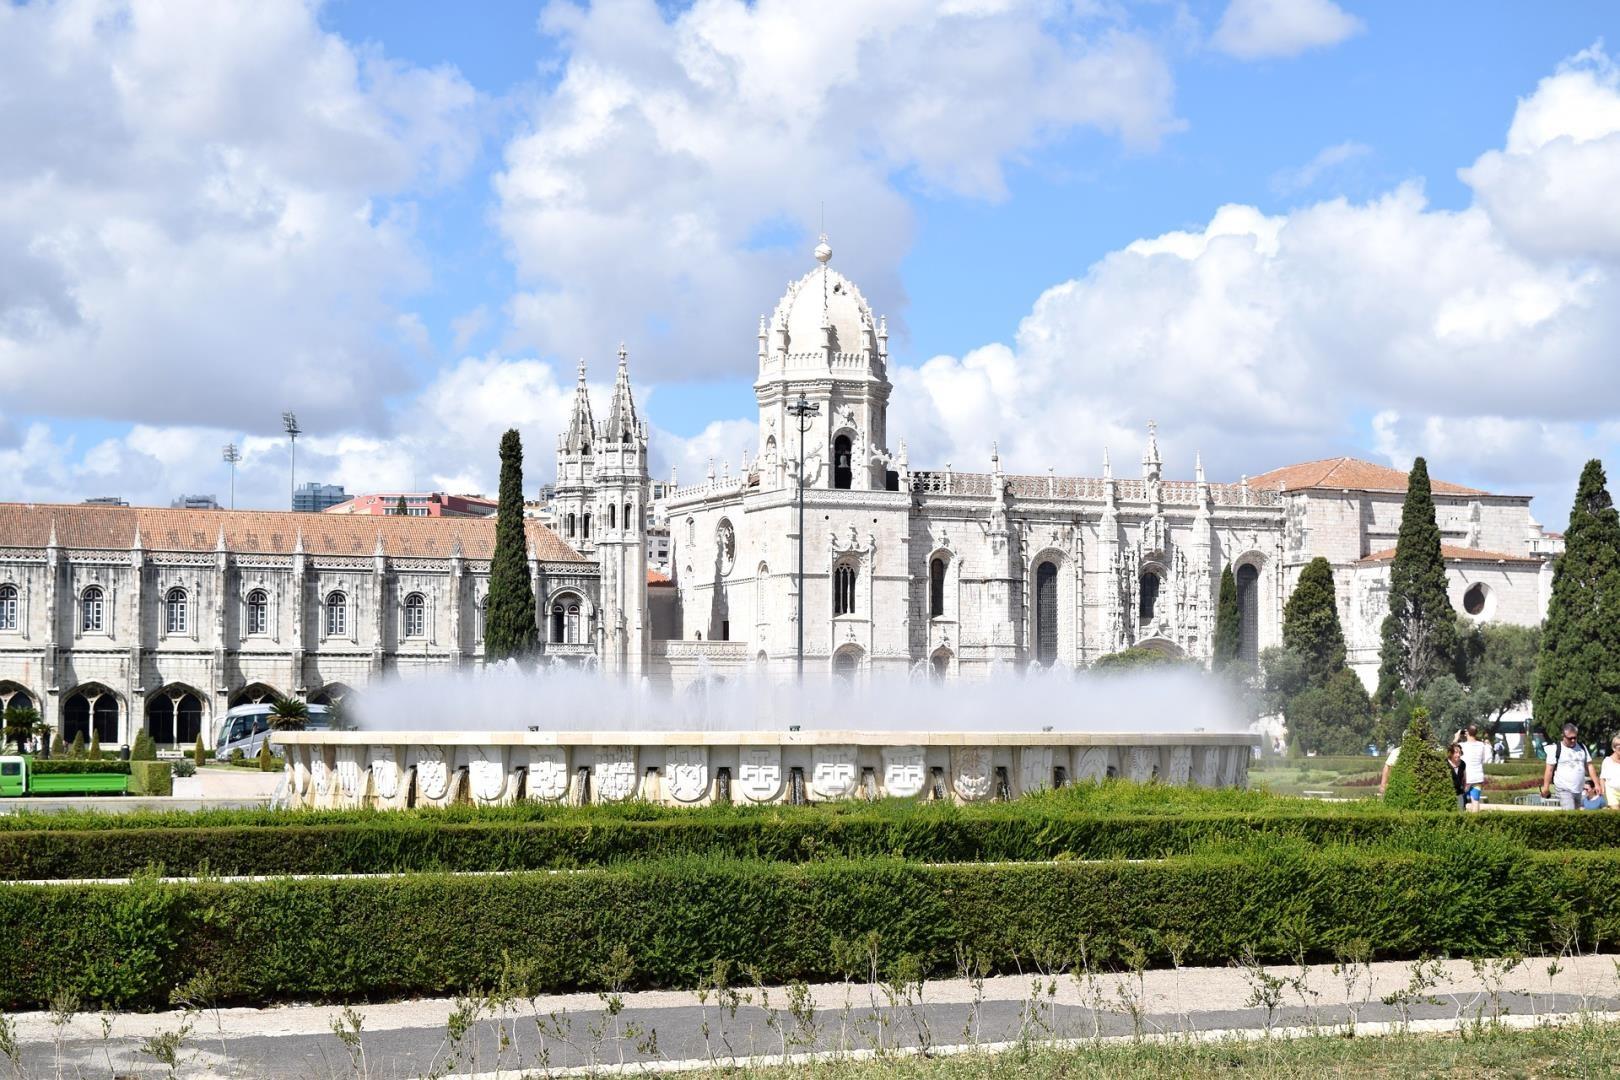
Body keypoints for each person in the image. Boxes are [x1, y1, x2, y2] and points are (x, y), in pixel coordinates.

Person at [1541, 724, 1601, 810]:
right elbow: (1549, 770)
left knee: (1575, 815)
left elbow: (1589, 766)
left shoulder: (1582, 747)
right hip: (1564, 788)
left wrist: (1596, 784)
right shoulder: (1555, 749)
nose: (1573, 740)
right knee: (1570, 812)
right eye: (1570, 738)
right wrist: (1546, 787)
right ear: (1563, 736)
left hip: (1578, 789)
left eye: (1575, 737)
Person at [1460, 724, 1489, 812]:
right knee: (1475, 800)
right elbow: (1484, 759)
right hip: (1477, 777)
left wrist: (1457, 737)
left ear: (1467, 733)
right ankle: (1475, 821)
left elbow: (1452, 751)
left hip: (1466, 778)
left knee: (1461, 801)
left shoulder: (1462, 745)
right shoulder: (1481, 745)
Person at [1602, 736, 1620, 810]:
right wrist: (1603, 791)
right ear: (1614, 748)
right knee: (1616, 815)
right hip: (1612, 792)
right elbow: (1602, 778)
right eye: (1619, 746)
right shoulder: (1607, 761)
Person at [1448, 743, 1467, 812]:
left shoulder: (1462, 764)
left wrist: (1464, 788)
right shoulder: (1445, 763)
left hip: (1459, 792)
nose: (1458, 755)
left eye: (1459, 752)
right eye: (1456, 753)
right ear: (1451, 753)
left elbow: (1464, 778)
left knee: (1461, 811)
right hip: (1448, 792)